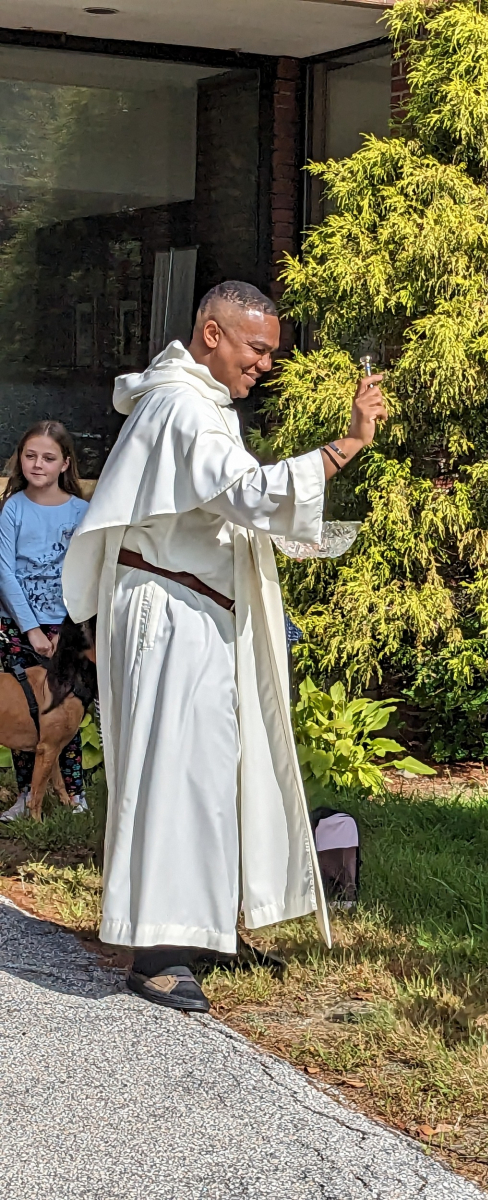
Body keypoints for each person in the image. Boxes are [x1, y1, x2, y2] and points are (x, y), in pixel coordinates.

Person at [62, 281, 386, 1013]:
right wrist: (349, 445)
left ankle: (202, 928)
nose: (266, 364)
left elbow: (225, 506)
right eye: (257, 348)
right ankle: (159, 950)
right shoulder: (183, 407)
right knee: (176, 774)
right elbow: (247, 494)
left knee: (211, 773)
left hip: (192, 608)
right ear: (212, 334)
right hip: (169, 614)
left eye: (271, 351)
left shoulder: (196, 405)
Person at [0, 421, 89, 821]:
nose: (38, 464)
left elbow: (85, 571)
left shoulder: (82, 511)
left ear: (64, 463)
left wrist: (65, 631)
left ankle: (73, 794)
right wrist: (31, 629)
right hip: (18, 628)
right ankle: (26, 797)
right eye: (30, 455)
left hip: (64, 630)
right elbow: (4, 572)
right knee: (26, 714)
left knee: (66, 711)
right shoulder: (14, 507)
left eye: (48, 458)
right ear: (20, 459)